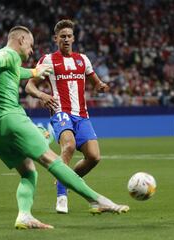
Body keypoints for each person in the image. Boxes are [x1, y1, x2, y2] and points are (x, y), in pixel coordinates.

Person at [0, 26, 128, 230]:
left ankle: (24, 215)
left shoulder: (10, 63)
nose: (31, 51)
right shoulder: (8, 54)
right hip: (11, 118)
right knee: (52, 159)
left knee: (29, 172)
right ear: (21, 40)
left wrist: (35, 72)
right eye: (30, 45)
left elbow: (16, 72)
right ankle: (96, 200)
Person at [25, 20, 109, 214]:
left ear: (73, 38)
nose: (66, 39)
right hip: (60, 112)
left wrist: (101, 86)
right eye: (62, 36)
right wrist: (42, 95)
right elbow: (30, 85)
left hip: (82, 114)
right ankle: (62, 195)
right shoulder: (48, 60)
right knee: (69, 145)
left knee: (94, 157)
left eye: (69, 36)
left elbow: (96, 82)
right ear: (56, 39)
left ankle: (66, 179)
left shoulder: (83, 60)